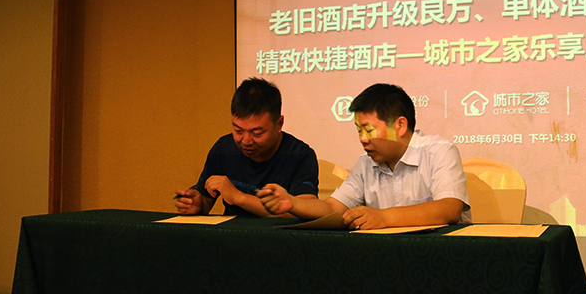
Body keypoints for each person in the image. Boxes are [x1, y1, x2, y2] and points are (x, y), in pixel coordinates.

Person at [258, 83, 471, 229]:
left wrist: (384, 217)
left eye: (369, 130)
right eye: (358, 130)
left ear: (400, 125)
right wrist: (292, 203)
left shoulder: (439, 151)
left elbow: (449, 208)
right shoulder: (365, 164)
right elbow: (333, 208)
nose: (362, 139)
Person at [175, 78, 319, 217]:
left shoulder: (300, 156)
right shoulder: (224, 149)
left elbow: (305, 211)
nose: (246, 141)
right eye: (238, 131)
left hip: (277, 233)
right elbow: (206, 199)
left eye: (257, 133)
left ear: (279, 124)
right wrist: (198, 204)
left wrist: (238, 197)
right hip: (231, 232)